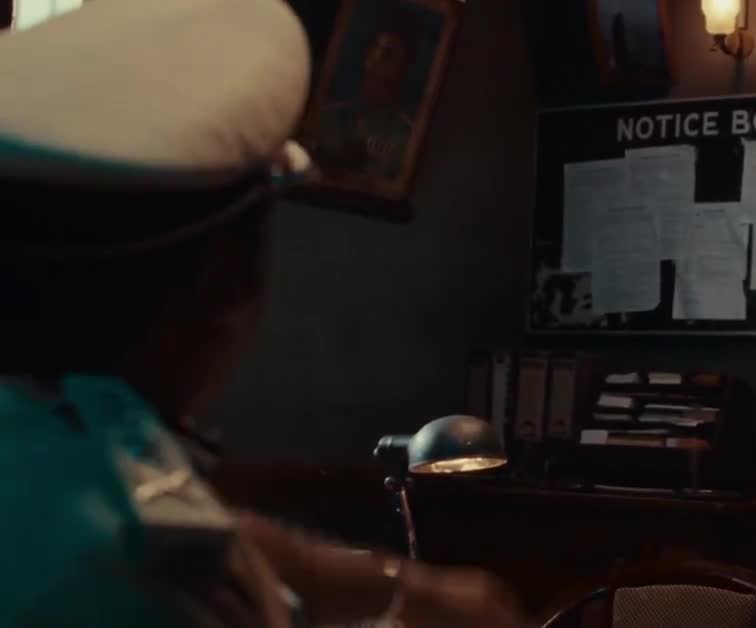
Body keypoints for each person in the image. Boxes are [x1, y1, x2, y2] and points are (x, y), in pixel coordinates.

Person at [0, 1, 523, 627]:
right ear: (223, 286)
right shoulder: (134, 574)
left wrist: (400, 588)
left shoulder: (59, 430)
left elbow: (205, 532)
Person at [311, 22, 420, 180]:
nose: (376, 57)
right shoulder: (329, 117)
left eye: (388, 53)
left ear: (404, 67)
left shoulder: (406, 138)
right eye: (374, 48)